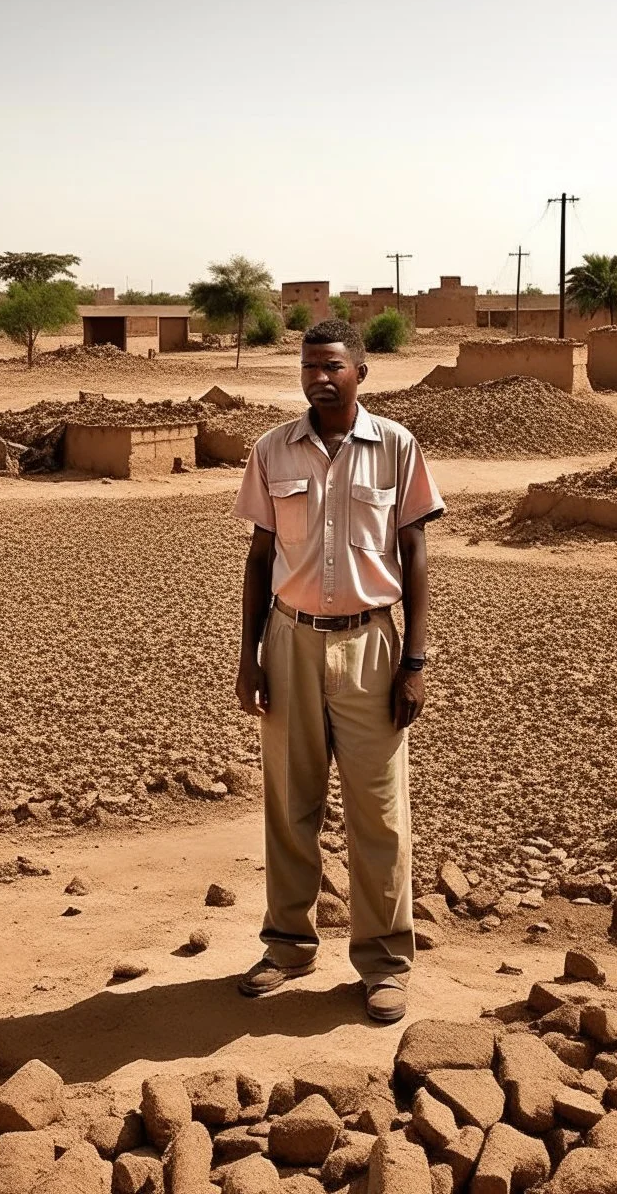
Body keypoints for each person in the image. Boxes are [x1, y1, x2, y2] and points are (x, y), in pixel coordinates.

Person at [233, 318, 445, 1022]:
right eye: (309, 366)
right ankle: (289, 944)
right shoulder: (271, 449)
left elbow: (414, 555)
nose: (319, 377)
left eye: (332, 367)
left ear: (361, 372)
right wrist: (249, 656)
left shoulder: (396, 447)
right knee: (290, 807)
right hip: (290, 642)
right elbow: (261, 560)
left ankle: (384, 962)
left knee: (378, 812)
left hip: (371, 647)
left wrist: (414, 661)